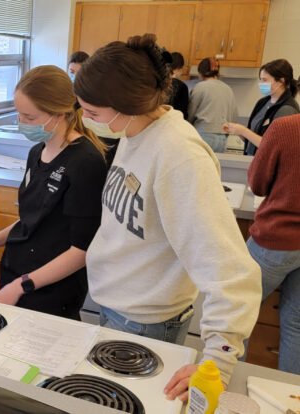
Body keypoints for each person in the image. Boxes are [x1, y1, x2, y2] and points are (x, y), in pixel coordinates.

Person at [73, 34, 261, 400]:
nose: (87, 120)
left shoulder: (179, 155)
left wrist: (216, 364)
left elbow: (232, 272)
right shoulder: (134, 130)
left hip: (148, 323)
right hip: (116, 306)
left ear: (123, 105)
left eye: (92, 113)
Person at [0, 65, 108, 320]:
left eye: (30, 118)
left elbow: (82, 251)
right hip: (17, 275)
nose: (22, 123)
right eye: (19, 115)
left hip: (51, 291)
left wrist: (22, 286)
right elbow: (31, 222)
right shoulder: (37, 152)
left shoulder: (85, 162)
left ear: (59, 113)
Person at [246, 114, 300, 374]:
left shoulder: (286, 127)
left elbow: (257, 184)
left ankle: (224, 395)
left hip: (277, 240)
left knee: (237, 314)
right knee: (296, 325)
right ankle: (290, 400)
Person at [223, 59, 299, 156]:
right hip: (252, 160)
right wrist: (237, 130)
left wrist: (244, 131)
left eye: (265, 80)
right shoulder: (263, 103)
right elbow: (252, 138)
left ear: (281, 81)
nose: (261, 83)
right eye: (261, 79)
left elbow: (273, 146)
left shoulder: (287, 109)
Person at [188, 57, 237, 153]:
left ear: (201, 73)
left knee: (199, 166)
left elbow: (191, 113)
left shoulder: (200, 87)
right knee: (215, 167)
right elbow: (233, 115)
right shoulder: (228, 89)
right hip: (222, 137)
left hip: (203, 134)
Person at [166, 51, 189, 120]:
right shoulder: (182, 86)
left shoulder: (159, 82)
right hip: (174, 122)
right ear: (179, 68)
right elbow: (183, 112)